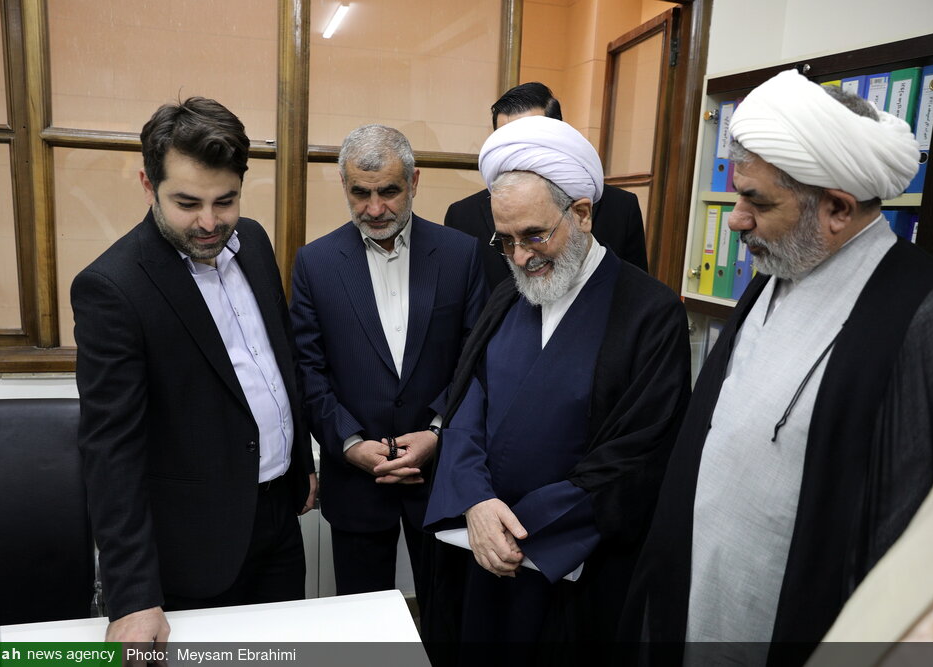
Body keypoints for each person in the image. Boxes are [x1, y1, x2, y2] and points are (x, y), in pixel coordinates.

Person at [620, 70, 933, 665]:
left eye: (758, 201)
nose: (736, 219)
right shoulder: (780, 268)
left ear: (837, 208)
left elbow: (903, 524)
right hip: (698, 597)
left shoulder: (921, 314)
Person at [423, 115, 691, 649]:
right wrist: (475, 502)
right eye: (505, 241)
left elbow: (638, 456)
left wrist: (519, 527)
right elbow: (466, 407)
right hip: (482, 545)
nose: (521, 257)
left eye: (534, 235)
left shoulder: (650, 312)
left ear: (583, 213)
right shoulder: (509, 296)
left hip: (576, 567)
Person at [72, 97, 316, 642]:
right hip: (195, 545)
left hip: (278, 518)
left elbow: (277, 361)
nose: (209, 222)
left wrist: (299, 460)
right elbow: (111, 452)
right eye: (187, 203)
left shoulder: (253, 240)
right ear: (148, 184)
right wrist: (133, 597)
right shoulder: (112, 288)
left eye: (225, 200)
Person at [289, 125, 486, 609]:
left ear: (414, 181)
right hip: (357, 484)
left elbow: (476, 358)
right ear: (344, 185)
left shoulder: (461, 254)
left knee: (449, 619)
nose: (375, 209)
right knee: (362, 627)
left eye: (389, 192)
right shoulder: (315, 263)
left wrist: (438, 434)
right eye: (361, 193)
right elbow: (308, 371)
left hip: (442, 478)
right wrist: (350, 444)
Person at [444, 82, 648, 289]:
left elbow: (635, 290)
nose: (521, 152)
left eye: (534, 139)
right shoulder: (463, 216)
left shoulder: (620, 208)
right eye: (508, 142)